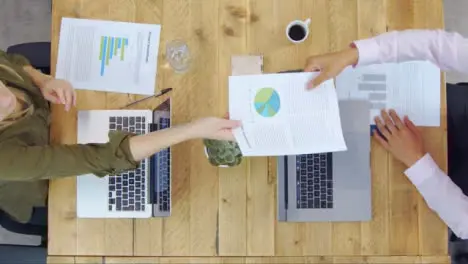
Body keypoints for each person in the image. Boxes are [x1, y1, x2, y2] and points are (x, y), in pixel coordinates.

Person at [0, 49, 240, 223]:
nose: (4, 99)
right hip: (52, 185)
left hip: (60, 118)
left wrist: (43, 80)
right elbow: (103, 157)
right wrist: (193, 129)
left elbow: (10, 61)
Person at [303, 29, 468, 241]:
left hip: (445, 183)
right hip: (452, 109)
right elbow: (436, 45)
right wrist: (352, 55)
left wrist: (416, 161)